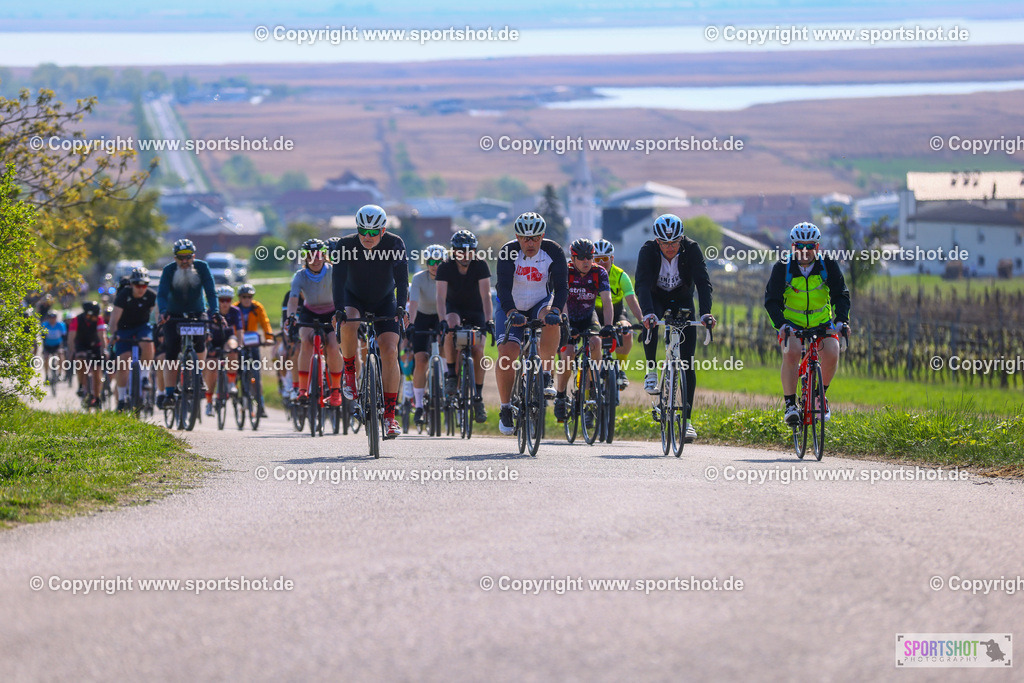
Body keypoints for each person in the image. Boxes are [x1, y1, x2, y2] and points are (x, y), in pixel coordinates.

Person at [634, 213, 716, 443]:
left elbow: (703, 282)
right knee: (650, 324)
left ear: (682, 238)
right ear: (657, 241)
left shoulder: (692, 249)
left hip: (682, 298)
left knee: (688, 361)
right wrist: (647, 312)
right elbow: (641, 283)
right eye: (664, 243)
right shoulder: (648, 250)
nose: (670, 247)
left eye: (674, 242)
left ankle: (687, 422)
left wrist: (706, 313)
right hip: (655, 297)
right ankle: (651, 370)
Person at [331, 204, 409, 439]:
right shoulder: (345, 245)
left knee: (389, 349)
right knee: (349, 323)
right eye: (363, 231)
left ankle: (389, 416)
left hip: (384, 300)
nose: (367, 236)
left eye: (374, 232)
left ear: (383, 231)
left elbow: (403, 279)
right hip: (353, 297)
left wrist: (401, 306)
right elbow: (337, 279)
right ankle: (350, 373)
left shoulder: (395, 244)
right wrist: (337, 309)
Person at [764, 222, 850, 425]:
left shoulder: (827, 264)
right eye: (799, 247)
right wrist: (782, 325)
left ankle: (820, 396)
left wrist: (842, 320)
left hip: (821, 321)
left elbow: (841, 294)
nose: (804, 251)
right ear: (792, 247)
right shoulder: (782, 267)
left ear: (817, 247)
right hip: (792, 323)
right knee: (792, 351)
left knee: (832, 352)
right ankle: (790, 405)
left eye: (809, 246)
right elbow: (771, 301)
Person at [494, 212, 568, 435]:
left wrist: (556, 310)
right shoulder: (508, 252)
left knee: (551, 321)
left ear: (542, 236)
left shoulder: (553, 251)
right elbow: (503, 288)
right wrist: (511, 312)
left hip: (540, 302)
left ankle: (546, 374)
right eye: (525, 238)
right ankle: (506, 407)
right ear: (517, 236)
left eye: (535, 238)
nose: (530, 243)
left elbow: (562, 287)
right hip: (511, 304)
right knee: (508, 354)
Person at [553, 238, 615, 422]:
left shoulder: (599, 272)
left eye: (589, 256)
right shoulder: (566, 271)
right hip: (568, 318)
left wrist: (609, 326)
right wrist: (566, 325)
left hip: (589, 317)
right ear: (573, 258)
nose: (586, 260)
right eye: (581, 257)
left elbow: (607, 301)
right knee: (568, 355)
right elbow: (561, 299)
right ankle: (561, 396)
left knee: (596, 343)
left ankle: (592, 389)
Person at [436, 229, 493, 424]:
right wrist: (442, 320)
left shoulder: (480, 265)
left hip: (476, 310)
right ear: (454, 251)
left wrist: (489, 321)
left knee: (478, 350)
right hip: (454, 309)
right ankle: (452, 374)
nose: (466, 255)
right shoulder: (445, 266)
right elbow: (441, 298)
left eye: (470, 251)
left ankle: (478, 398)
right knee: (451, 327)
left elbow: (486, 296)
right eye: (461, 251)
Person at [156, 238, 219, 409]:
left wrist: (215, 312)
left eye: (188, 257)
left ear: (193, 256)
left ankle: (197, 375)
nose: (184, 262)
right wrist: (162, 312)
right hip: (173, 314)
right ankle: (169, 392)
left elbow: (211, 292)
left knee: (200, 345)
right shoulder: (169, 270)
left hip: (196, 312)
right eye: (180, 258)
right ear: (175, 258)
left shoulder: (202, 267)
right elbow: (161, 294)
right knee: (171, 352)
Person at [285, 239, 343, 407]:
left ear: (324, 255)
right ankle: (303, 389)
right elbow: (293, 299)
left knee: (333, 345)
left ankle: (335, 391)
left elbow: (343, 292)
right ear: (305, 258)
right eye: (309, 256)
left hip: (331, 312)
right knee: (306, 342)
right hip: (309, 314)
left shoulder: (333, 271)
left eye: (318, 255)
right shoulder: (300, 276)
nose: (314, 260)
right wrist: (291, 317)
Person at [593, 238, 645, 389]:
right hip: (594, 313)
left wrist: (642, 320)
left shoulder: (621, 275)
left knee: (626, 331)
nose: (601, 263)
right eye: (597, 259)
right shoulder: (589, 274)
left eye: (605, 259)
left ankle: (621, 370)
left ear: (612, 258)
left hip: (616, 312)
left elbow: (631, 299)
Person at [107, 267, 157, 411]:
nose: (141, 289)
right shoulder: (124, 295)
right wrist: (114, 335)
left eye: (144, 285)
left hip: (142, 327)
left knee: (147, 344)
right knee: (124, 361)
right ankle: (121, 399)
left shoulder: (151, 296)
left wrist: (160, 331)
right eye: (137, 285)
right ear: (131, 284)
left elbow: (157, 316)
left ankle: (144, 376)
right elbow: (114, 319)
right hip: (124, 329)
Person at [407, 244, 445, 426]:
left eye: (439, 262)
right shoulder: (418, 278)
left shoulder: (448, 278)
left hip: (440, 316)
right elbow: (413, 302)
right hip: (421, 316)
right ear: (426, 262)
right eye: (431, 261)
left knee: (448, 348)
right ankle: (420, 405)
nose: (435, 265)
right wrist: (412, 323)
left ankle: (447, 382)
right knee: (421, 359)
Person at [203, 285, 243, 417]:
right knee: (211, 369)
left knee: (233, 348)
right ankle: (209, 402)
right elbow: (205, 334)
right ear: (217, 300)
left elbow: (240, 331)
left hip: (228, 339)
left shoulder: (235, 311)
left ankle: (231, 382)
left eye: (228, 300)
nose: (225, 303)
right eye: (222, 300)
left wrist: (240, 345)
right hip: (212, 341)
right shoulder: (210, 312)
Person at [236, 283, 273, 417]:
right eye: (244, 296)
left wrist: (268, 337)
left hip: (253, 343)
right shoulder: (234, 308)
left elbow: (265, 322)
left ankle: (261, 405)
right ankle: (236, 393)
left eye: (249, 296)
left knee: (256, 374)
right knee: (236, 370)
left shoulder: (257, 307)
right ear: (240, 297)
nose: (247, 299)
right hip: (239, 342)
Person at [67, 301, 106, 408]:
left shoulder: (99, 319)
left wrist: (104, 350)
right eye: (94, 315)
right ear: (88, 315)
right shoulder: (76, 320)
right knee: (80, 360)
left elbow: (101, 335)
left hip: (95, 345)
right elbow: (71, 338)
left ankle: (97, 398)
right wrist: (72, 351)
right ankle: (81, 384)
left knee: (97, 372)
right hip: (81, 344)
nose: (96, 317)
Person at [40, 310, 67, 377]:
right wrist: (43, 348)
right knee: (46, 358)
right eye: (50, 318)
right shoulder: (45, 325)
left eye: (54, 317)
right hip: (47, 345)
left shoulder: (60, 325)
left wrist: (63, 347)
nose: (52, 319)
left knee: (61, 355)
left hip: (57, 344)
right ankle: (46, 375)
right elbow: (43, 337)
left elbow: (64, 337)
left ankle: (60, 373)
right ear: (48, 318)